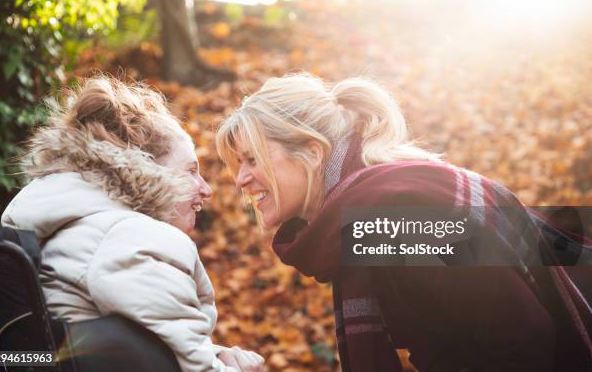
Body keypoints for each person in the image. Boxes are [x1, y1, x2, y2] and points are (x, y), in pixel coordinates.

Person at [215, 73, 591, 371]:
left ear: (312, 153)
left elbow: (522, 340)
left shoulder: (396, 217)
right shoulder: (363, 217)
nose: (241, 179)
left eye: (253, 160)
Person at [1, 76, 264, 372]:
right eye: (190, 170)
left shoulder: (77, 226)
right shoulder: (131, 236)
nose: (206, 189)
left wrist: (214, 354)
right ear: (147, 170)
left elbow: (145, 343)